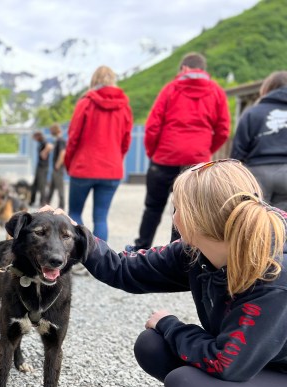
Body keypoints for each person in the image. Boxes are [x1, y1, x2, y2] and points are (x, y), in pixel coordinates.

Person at [44, 160, 287, 387]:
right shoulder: (198, 251)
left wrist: (170, 324)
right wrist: (73, 233)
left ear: (198, 221)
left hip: (270, 371)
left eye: (177, 208)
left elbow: (226, 363)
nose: (173, 217)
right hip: (255, 361)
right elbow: (124, 268)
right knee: (153, 346)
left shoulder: (272, 274)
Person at [130, 52, 230, 251]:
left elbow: (152, 127)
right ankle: (179, 254)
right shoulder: (217, 92)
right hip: (197, 162)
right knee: (186, 210)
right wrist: (204, 151)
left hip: (165, 159)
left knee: (153, 207)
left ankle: (140, 249)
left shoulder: (170, 90)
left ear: (184, 69)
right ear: (202, 70)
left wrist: (154, 153)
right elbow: (223, 129)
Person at [64, 65, 132, 242]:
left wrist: (69, 162)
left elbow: (73, 137)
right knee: (101, 218)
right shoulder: (124, 107)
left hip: (83, 167)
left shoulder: (85, 103)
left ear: (94, 81)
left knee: (74, 214)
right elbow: (126, 141)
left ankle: (76, 259)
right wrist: (116, 160)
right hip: (112, 170)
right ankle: (100, 264)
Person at [231, 71, 287, 211]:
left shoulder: (252, 112)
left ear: (267, 88)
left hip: (258, 174)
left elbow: (238, 150)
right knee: (283, 224)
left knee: (257, 221)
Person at [44, 123, 67, 209]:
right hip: (56, 169)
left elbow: (62, 153)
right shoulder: (57, 140)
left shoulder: (61, 140)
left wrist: (57, 164)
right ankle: (46, 205)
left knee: (60, 189)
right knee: (51, 188)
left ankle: (61, 207)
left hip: (58, 169)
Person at [29, 131, 53, 206]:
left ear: (38, 136)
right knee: (35, 185)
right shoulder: (40, 142)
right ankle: (32, 201)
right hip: (39, 166)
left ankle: (43, 202)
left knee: (42, 185)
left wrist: (44, 152)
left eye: (35, 137)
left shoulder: (44, 141)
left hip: (43, 167)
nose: (35, 139)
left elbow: (50, 146)